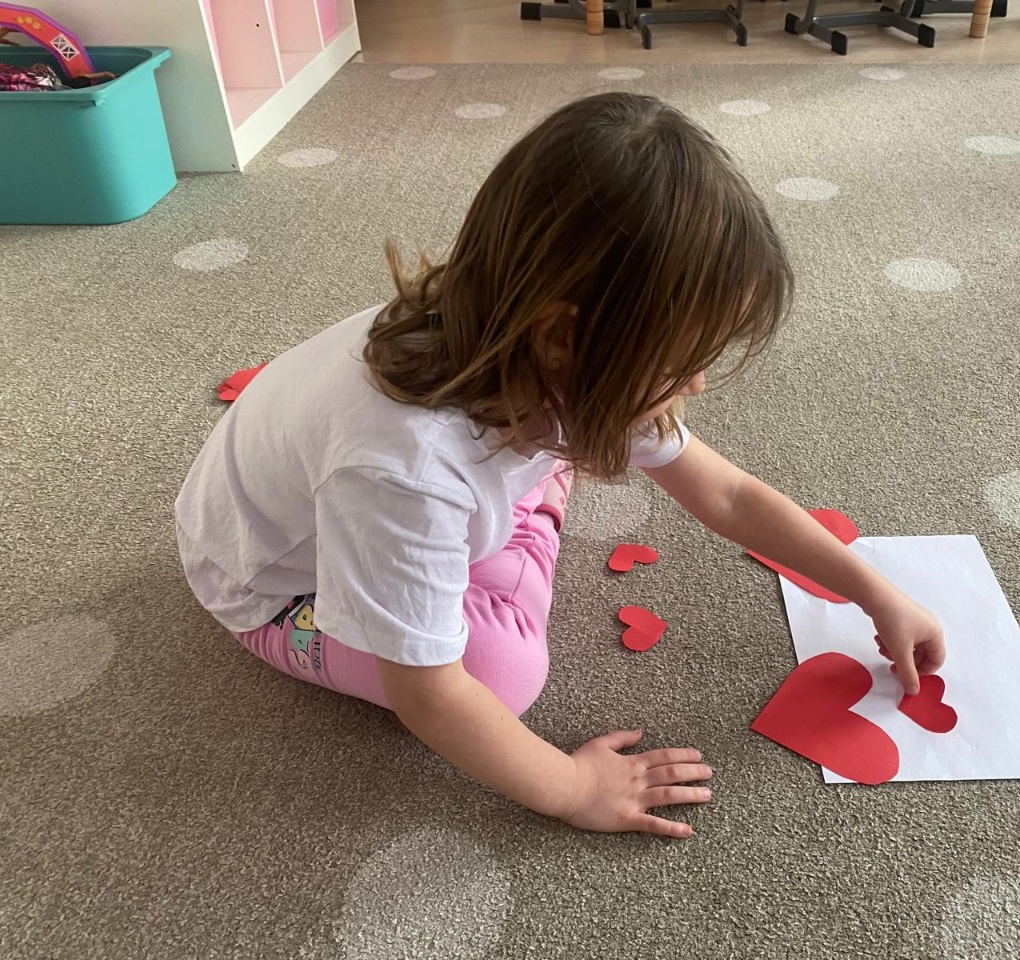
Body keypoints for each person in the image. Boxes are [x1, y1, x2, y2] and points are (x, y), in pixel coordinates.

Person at [175, 92, 945, 840]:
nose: (698, 384)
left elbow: (729, 495)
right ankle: (534, 510)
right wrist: (574, 789)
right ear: (565, 338)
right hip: (270, 588)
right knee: (499, 676)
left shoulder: (531, 346)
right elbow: (429, 697)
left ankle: (527, 499)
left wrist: (872, 590)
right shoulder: (402, 471)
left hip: (385, 498)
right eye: (680, 362)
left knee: (574, 454)